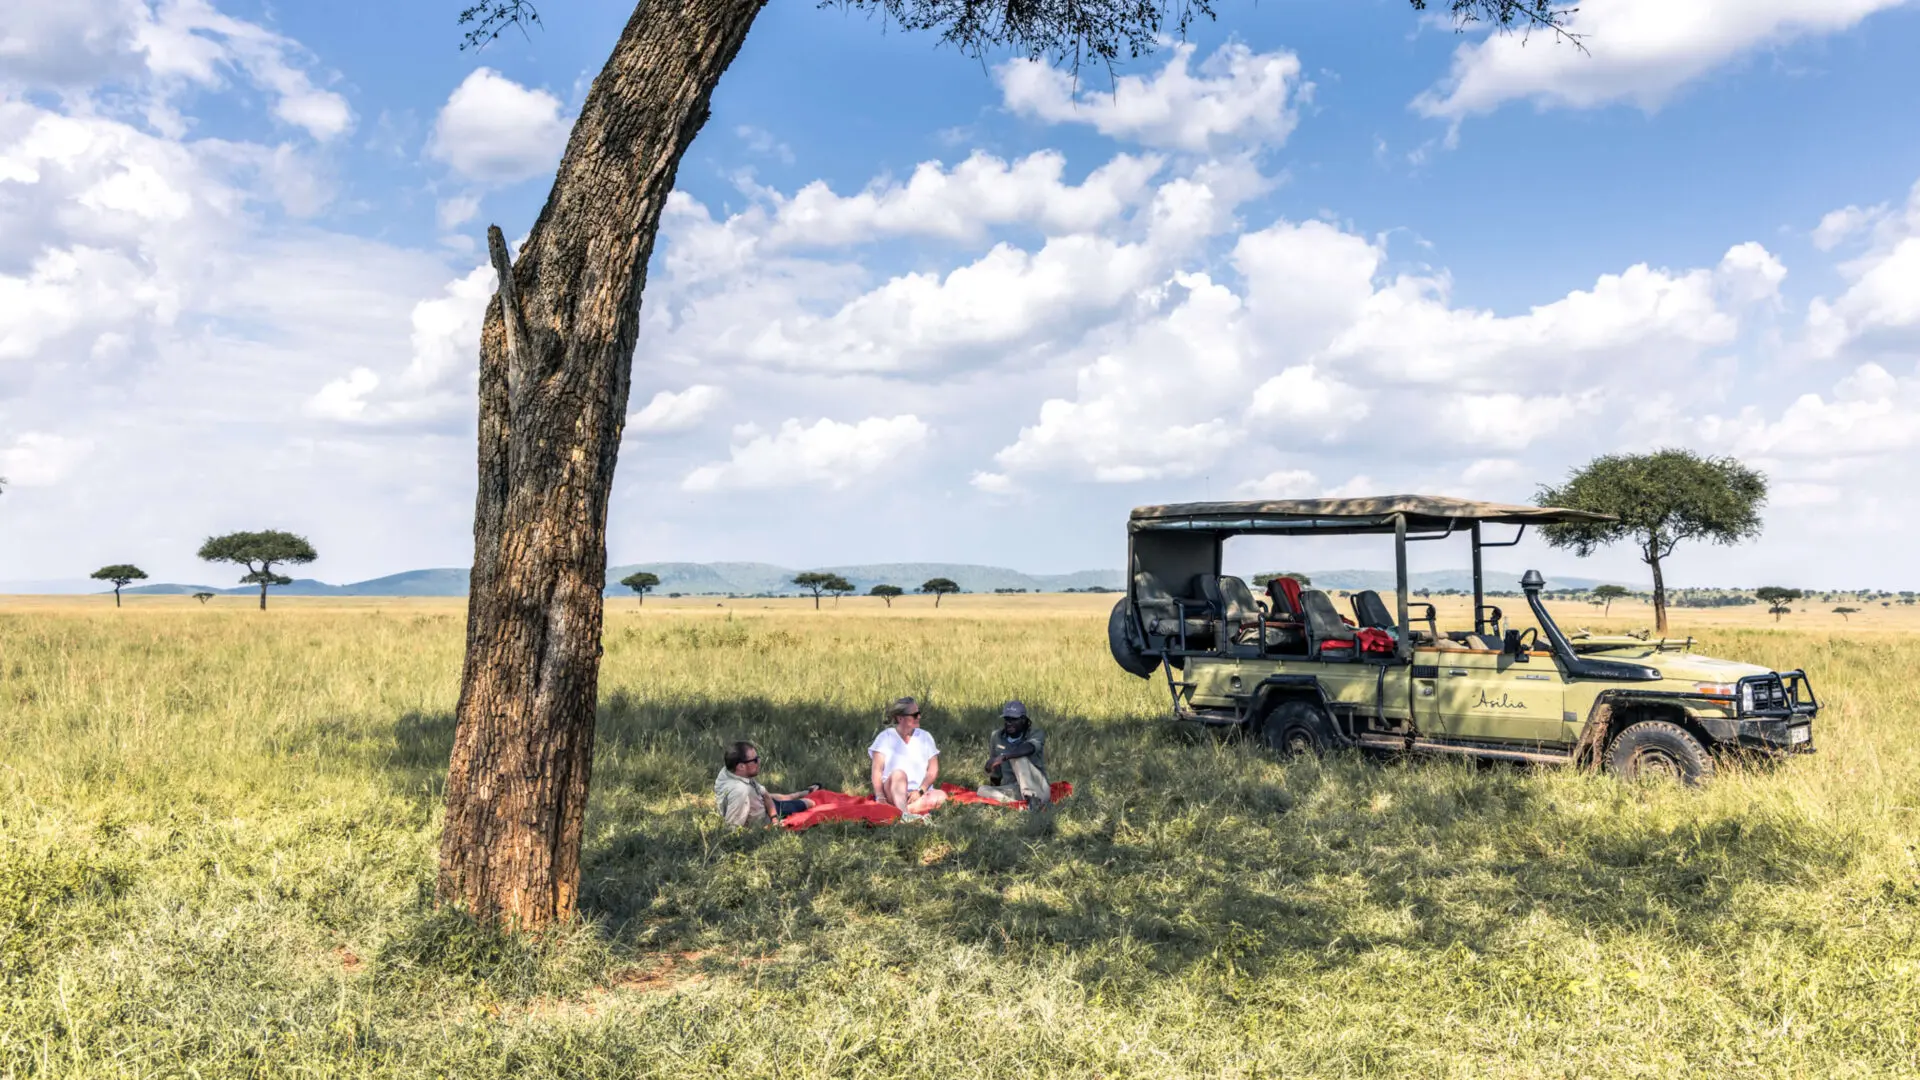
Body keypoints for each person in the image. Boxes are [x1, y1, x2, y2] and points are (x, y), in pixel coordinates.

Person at [868, 696, 946, 822]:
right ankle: (905, 814)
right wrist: (880, 796)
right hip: (892, 790)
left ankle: (902, 812)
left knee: (941, 796)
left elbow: (933, 770)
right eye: (914, 715)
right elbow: (876, 771)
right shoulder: (885, 737)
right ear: (900, 718)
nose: (919, 717)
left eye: (919, 713)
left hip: (918, 794)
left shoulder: (925, 737)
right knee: (899, 774)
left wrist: (920, 791)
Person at [713, 741, 818, 828]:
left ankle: (805, 792)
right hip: (767, 811)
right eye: (754, 760)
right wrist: (773, 821)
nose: (759, 761)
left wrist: (774, 818)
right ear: (741, 766)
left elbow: (765, 795)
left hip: (765, 804)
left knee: (785, 797)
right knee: (810, 803)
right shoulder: (740, 791)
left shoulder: (727, 772)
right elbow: (733, 828)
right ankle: (808, 794)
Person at [977, 700, 1050, 810]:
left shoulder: (1035, 733)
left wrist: (1005, 756)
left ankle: (1033, 800)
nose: (1009, 723)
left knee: (1018, 758)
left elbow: (1030, 747)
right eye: (1007, 719)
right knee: (981, 790)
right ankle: (1020, 805)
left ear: (1023, 720)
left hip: (1038, 787)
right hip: (1014, 789)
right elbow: (996, 772)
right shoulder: (996, 736)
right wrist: (994, 781)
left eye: (1014, 719)